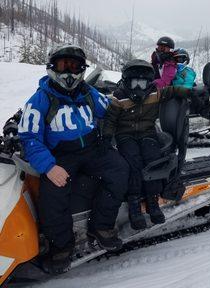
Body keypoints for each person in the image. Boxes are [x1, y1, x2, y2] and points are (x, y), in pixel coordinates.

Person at [18, 44, 129, 274]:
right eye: (63, 65)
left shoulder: (88, 93)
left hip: (92, 148)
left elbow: (108, 110)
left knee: (120, 170)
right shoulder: (40, 100)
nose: (69, 72)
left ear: (82, 69)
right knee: (51, 194)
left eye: (74, 66)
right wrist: (49, 167)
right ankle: (61, 246)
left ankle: (102, 225)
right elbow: (29, 138)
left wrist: (128, 104)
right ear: (52, 68)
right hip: (60, 154)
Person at [102, 59, 207, 231]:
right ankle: (134, 203)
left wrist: (191, 93)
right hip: (125, 135)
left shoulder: (155, 93)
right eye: (135, 82)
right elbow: (111, 120)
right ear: (127, 81)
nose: (139, 87)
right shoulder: (119, 97)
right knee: (133, 163)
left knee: (154, 161)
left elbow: (173, 90)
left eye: (143, 83)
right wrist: (106, 137)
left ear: (149, 82)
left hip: (147, 133)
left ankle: (153, 200)